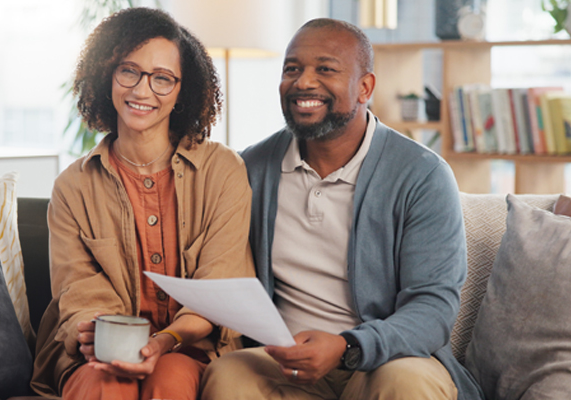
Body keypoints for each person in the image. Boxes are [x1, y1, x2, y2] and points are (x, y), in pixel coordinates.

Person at [200, 18, 485, 400]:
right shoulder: (251, 168)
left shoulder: (422, 175)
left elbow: (432, 311)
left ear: (365, 87)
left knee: (406, 382)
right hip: (285, 363)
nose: (303, 82)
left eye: (325, 69)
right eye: (292, 69)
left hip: (384, 360)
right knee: (228, 374)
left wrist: (347, 347)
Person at [30, 8, 255, 400]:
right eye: (129, 71)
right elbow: (80, 294)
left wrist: (164, 342)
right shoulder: (73, 186)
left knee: (168, 380)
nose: (141, 90)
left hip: (189, 347)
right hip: (95, 354)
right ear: (107, 75)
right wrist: (94, 331)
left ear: (182, 91)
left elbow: (219, 289)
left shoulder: (223, 171)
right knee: (104, 384)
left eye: (162, 79)